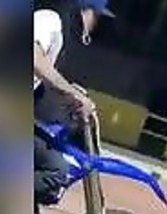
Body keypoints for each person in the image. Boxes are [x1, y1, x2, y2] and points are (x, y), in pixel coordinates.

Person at [33, 0, 115, 200]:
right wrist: (71, 93)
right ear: (88, 11)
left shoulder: (63, 35)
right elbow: (34, 59)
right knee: (55, 171)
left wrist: (70, 95)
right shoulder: (51, 19)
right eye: (97, 18)